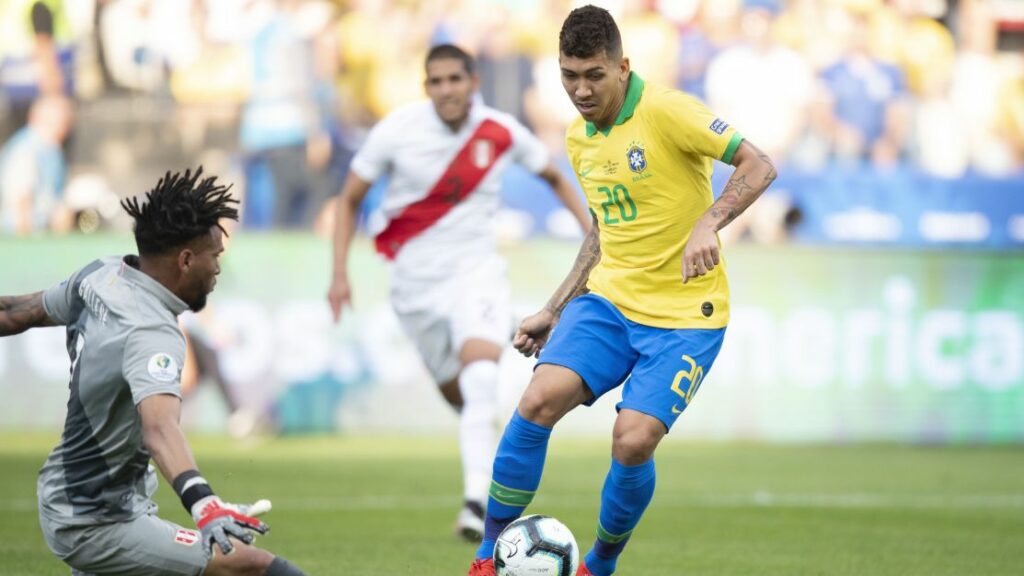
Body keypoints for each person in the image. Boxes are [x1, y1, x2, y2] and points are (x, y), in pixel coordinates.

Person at [467, 6, 776, 576]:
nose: (580, 90)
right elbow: (602, 228)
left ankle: (599, 565)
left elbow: (759, 164)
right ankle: (485, 558)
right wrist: (554, 308)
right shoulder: (579, 138)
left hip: (688, 313)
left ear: (622, 67)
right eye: (569, 76)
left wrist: (708, 222)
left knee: (632, 441)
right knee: (536, 402)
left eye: (593, 75)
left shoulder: (668, 111)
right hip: (610, 303)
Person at [326, 43, 591, 542]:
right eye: (436, 81)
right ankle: (486, 456)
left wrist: (591, 239)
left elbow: (554, 175)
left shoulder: (499, 130)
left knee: (479, 381)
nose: (446, 89)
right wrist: (339, 273)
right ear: (426, 87)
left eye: (455, 79)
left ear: (474, 83)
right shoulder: (397, 131)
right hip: (414, 289)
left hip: (477, 274)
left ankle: (477, 505)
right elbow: (349, 200)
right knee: (465, 397)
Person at [0, 168, 308, 576]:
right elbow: (160, 428)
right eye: (215, 256)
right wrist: (204, 503)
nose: (217, 269)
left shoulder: (102, 275)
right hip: (94, 520)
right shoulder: (153, 332)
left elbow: (17, 313)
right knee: (249, 566)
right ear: (185, 260)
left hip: (88, 497)